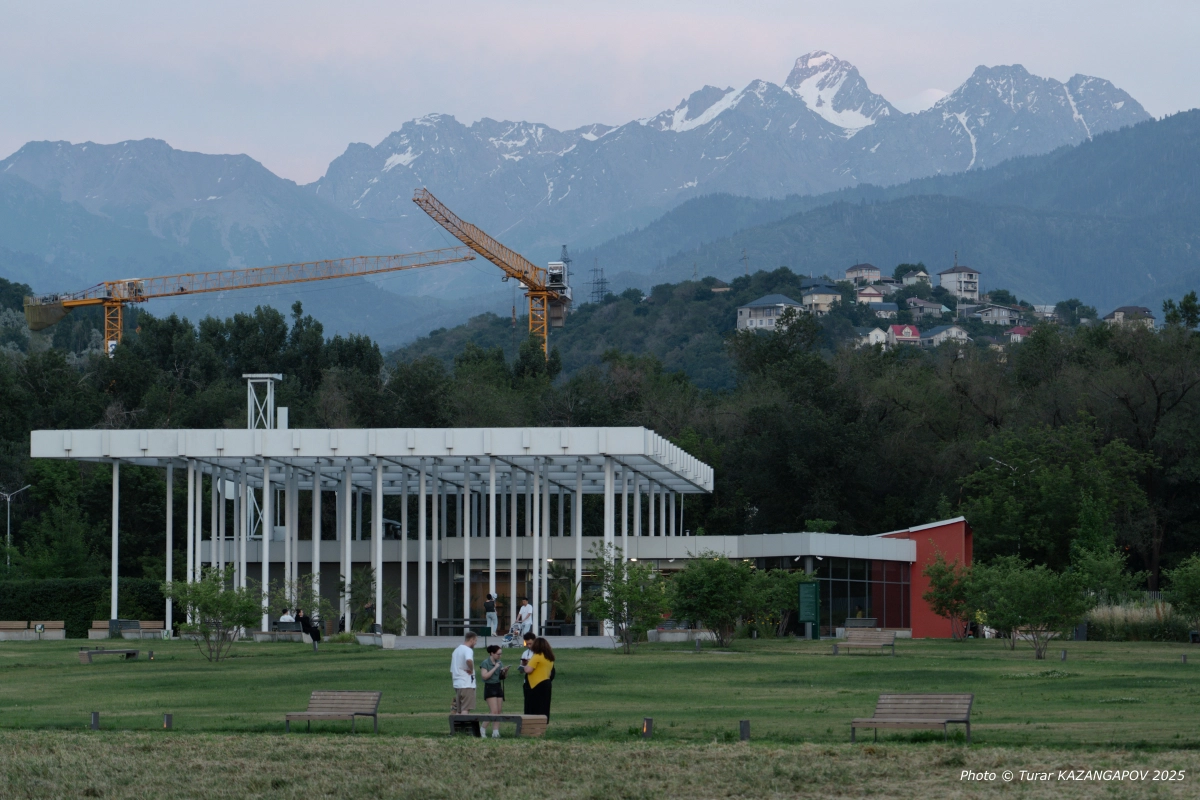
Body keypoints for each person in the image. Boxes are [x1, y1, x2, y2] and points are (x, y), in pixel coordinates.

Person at [521, 636, 556, 718]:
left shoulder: (536, 656)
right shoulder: (549, 657)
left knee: (534, 707)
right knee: (544, 707)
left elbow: (528, 670)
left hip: (536, 684)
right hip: (546, 683)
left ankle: (533, 727)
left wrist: (525, 666)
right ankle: (542, 725)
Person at [479, 644, 508, 738]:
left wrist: (504, 671)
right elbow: (484, 676)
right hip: (489, 687)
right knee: (493, 711)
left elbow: (502, 677)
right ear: (492, 653)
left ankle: (495, 732)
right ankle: (482, 729)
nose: (499, 656)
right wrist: (495, 667)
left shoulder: (499, 662)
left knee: (499, 711)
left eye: (501, 654)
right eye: (498, 654)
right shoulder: (485, 663)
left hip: (497, 686)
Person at [450, 632, 478, 726]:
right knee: (465, 709)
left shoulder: (456, 650)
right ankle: (464, 729)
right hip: (466, 683)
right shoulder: (468, 650)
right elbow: (468, 660)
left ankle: (456, 729)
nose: (475, 643)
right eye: (475, 641)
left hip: (457, 683)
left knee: (459, 710)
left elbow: (452, 670)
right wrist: (471, 669)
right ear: (471, 640)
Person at [519, 632, 536, 710]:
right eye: (527, 644)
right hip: (527, 681)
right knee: (527, 703)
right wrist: (523, 664)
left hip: (536, 680)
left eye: (530, 644)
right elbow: (521, 671)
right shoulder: (525, 653)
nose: (529, 646)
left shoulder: (539, 653)